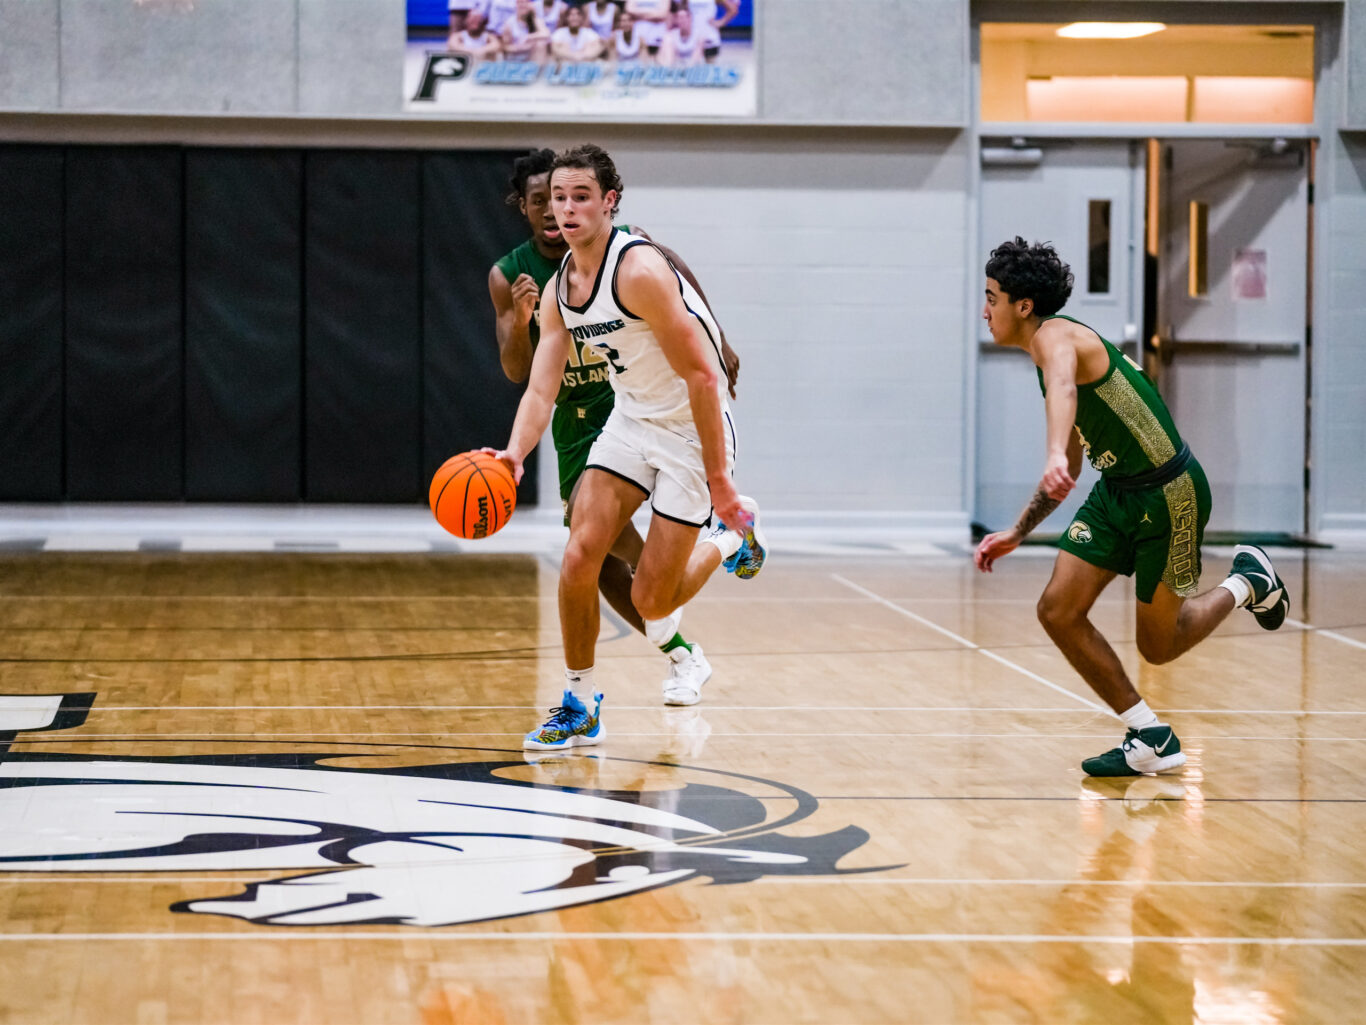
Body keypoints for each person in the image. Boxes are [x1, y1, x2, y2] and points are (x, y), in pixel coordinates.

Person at [974, 237, 1290, 777]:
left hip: (1170, 494)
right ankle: (1150, 736)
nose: (985, 309)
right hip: (1116, 492)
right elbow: (1068, 468)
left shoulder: (1058, 338)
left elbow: (1063, 395)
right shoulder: (1045, 354)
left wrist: (1051, 449)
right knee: (1057, 610)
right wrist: (1017, 532)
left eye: (991, 296)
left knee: (1159, 647)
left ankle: (1247, 582)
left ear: (1023, 306)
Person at [488, 144, 766, 751]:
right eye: (558, 197)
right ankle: (580, 703)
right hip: (633, 420)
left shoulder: (637, 269)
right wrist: (512, 455)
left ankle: (730, 537)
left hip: (693, 429)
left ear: (610, 202)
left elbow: (701, 376)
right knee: (580, 552)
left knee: (652, 597)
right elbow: (540, 384)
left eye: (580, 196)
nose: (565, 208)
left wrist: (720, 482)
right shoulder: (563, 284)